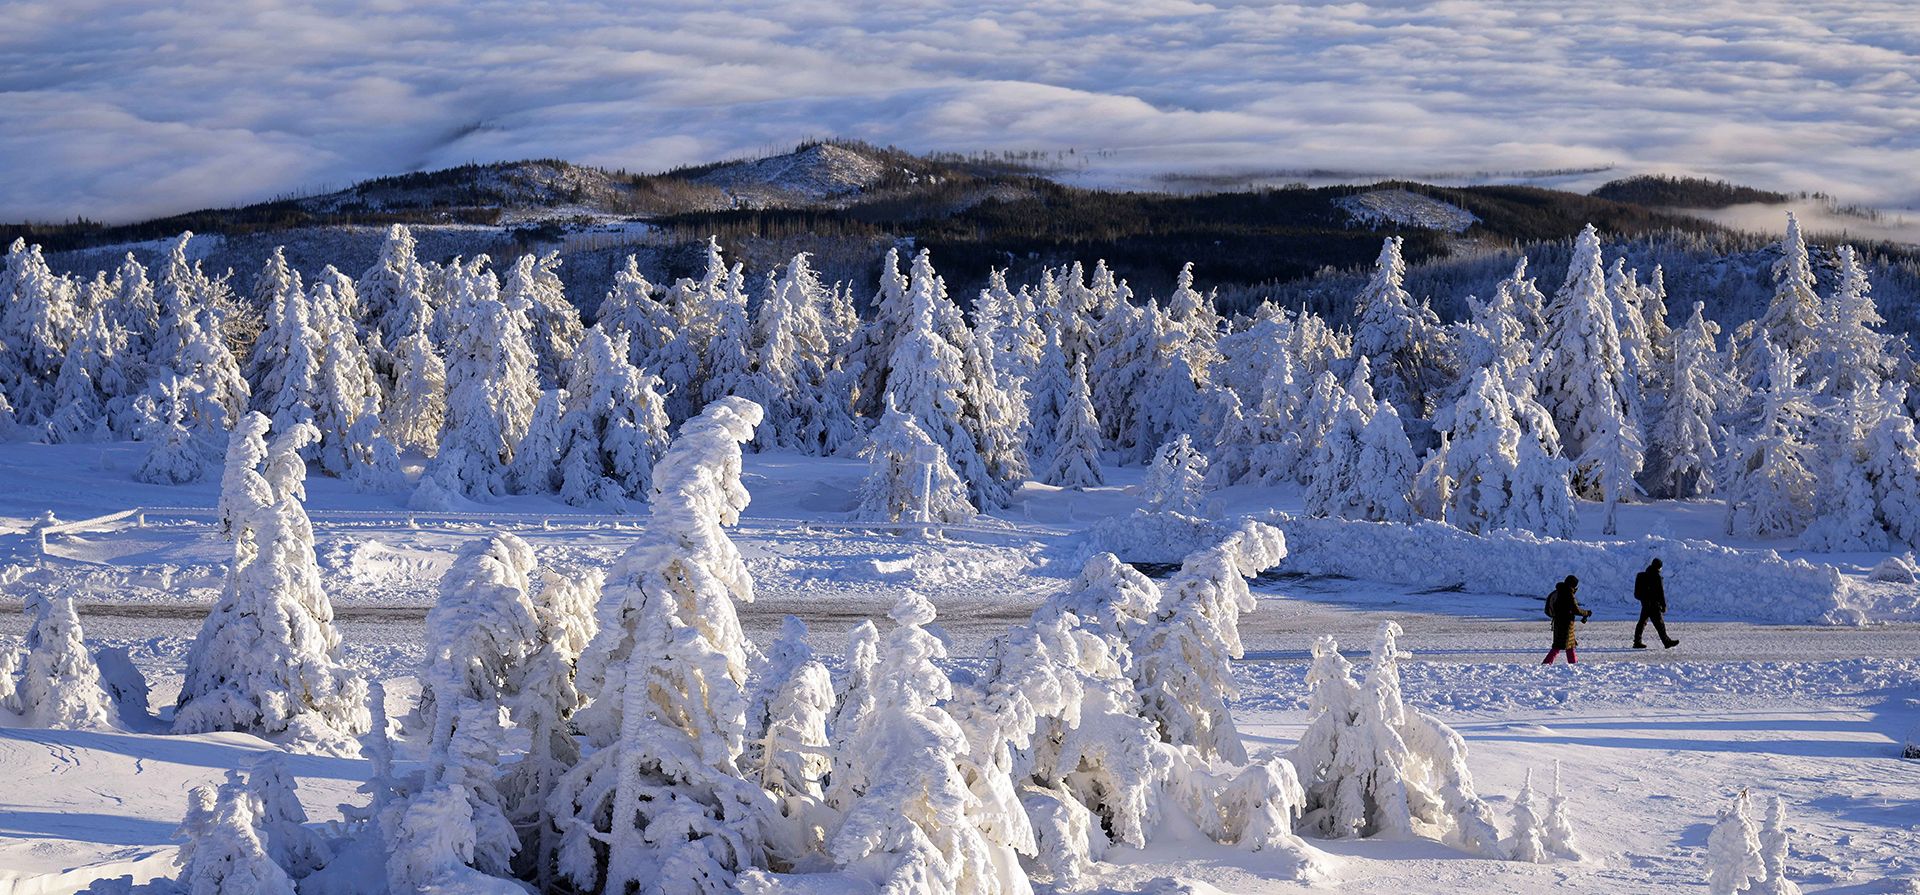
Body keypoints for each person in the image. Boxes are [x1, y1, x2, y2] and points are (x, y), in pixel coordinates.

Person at [1542, 575, 1591, 665]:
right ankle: (1547, 664)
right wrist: (1586, 613)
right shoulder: (1568, 593)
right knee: (1562, 646)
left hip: (1558, 623)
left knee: (1565, 646)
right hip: (1566, 624)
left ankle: (1572, 664)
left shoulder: (1558, 591)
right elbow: (1576, 609)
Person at [1633, 558, 1680, 649]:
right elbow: (1660, 593)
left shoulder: (1642, 575)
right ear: (1659, 567)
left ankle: (1637, 642)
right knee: (1660, 624)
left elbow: (1638, 592)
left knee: (1642, 623)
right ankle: (1666, 642)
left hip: (1646, 603)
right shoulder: (1657, 577)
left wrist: (1644, 599)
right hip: (1654, 605)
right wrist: (1664, 605)